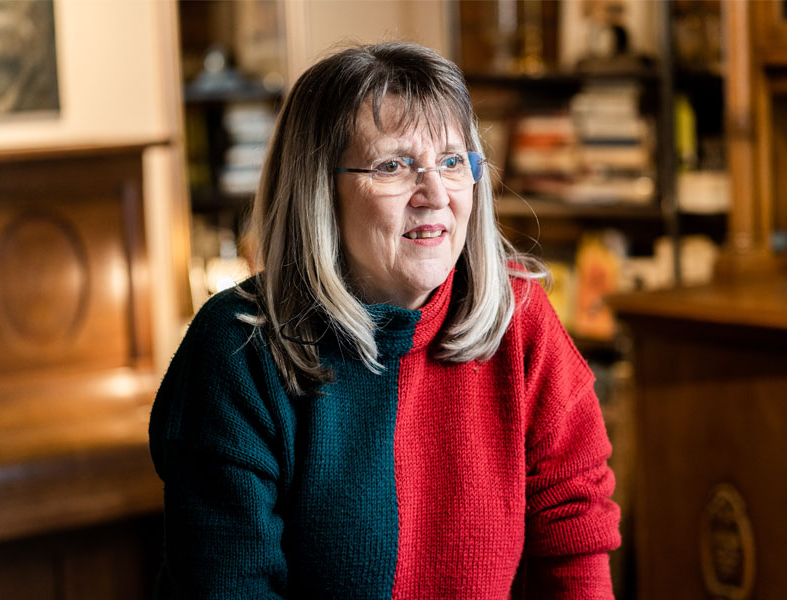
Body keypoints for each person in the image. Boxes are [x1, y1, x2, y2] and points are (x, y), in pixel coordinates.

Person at [149, 41, 621, 599]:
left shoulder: (520, 323)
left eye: (451, 160)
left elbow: (575, 554)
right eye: (394, 165)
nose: (435, 194)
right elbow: (229, 586)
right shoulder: (238, 349)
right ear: (319, 189)